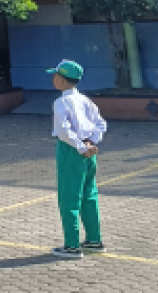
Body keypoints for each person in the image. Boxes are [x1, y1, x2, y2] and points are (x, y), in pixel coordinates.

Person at [47, 60, 108, 258]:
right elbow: (101, 124)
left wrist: (81, 147)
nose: (53, 78)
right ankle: (94, 239)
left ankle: (72, 245)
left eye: (55, 75)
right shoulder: (85, 100)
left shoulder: (61, 102)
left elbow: (65, 131)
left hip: (70, 151)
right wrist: (91, 142)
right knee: (89, 194)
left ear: (62, 80)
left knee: (69, 197)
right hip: (89, 150)